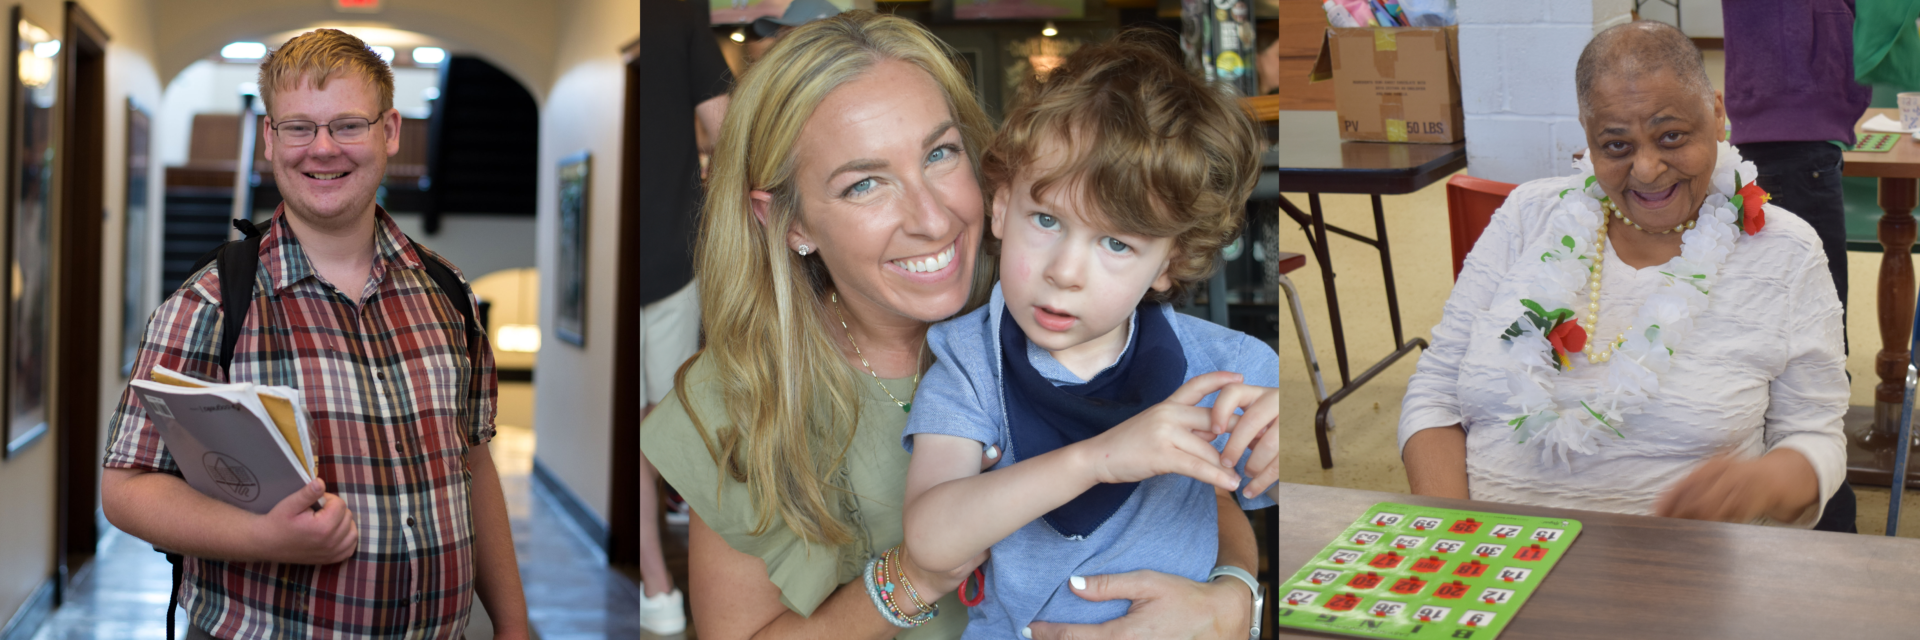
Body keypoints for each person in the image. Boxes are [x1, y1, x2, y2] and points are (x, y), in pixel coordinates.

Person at [640, 12, 1267, 640]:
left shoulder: (1056, 300)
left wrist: (1234, 599)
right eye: (865, 185)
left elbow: (1197, 490)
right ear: (789, 221)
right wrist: (911, 578)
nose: (933, 220)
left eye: (940, 153)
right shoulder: (738, 399)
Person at [97, 30, 529, 639]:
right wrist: (264, 537)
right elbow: (126, 487)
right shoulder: (209, 305)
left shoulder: (448, 292)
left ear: (391, 131)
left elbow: (473, 463)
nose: (323, 150)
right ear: (270, 139)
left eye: (348, 125)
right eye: (300, 127)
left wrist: (513, 623)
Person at [900, 34, 1280, 639]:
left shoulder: (1231, 366)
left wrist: (1283, 448)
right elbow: (930, 538)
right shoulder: (969, 358)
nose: (1065, 272)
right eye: (1047, 220)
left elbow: (1302, 514)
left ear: (1168, 264)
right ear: (1001, 208)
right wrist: (1098, 458)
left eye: (1117, 243)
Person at [1399, 21, 1847, 528]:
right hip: (1490, 562)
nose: (1648, 168)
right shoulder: (1529, 216)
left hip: (1683, 571)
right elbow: (1436, 391)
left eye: (1671, 136)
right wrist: (1451, 534)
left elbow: (1816, 433)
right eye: (1616, 146)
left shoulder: (1783, 249)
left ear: (1717, 115)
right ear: (1587, 139)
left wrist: (1770, 482)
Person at [638, 0, 735, 633]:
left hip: (640, 254)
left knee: (649, 429)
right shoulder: (678, 14)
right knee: (681, 427)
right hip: (672, 258)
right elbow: (728, 130)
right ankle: (716, 595)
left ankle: (656, 587)